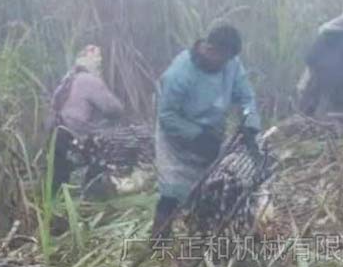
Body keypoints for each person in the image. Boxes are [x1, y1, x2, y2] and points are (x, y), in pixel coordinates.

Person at [151, 25, 261, 239]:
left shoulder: (231, 63)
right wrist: (196, 135)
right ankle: (159, 238)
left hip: (212, 130)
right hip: (176, 134)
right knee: (173, 189)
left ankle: (207, 232)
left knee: (213, 183)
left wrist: (250, 121)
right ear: (210, 49)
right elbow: (167, 116)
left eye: (230, 59)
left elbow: (246, 97)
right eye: (223, 58)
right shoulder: (179, 74)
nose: (226, 64)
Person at [44, 45, 124, 196]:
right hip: (72, 137)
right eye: (97, 58)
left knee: (59, 184)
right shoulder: (89, 80)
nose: (100, 62)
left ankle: (54, 210)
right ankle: (92, 199)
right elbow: (113, 109)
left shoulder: (65, 81)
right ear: (88, 60)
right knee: (97, 165)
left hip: (54, 136)